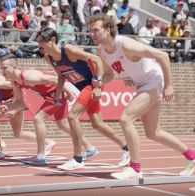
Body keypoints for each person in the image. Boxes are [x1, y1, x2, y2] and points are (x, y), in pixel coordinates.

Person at [88, 13, 195, 179]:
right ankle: (192, 156)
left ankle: (135, 168)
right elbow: (110, 74)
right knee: (153, 133)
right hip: (142, 84)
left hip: (153, 81)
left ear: (108, 30)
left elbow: (163, 55)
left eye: (96, 30)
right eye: (90, 31)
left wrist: (168, 85)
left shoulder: (125, 44)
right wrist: (101, 80)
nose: (92, 34)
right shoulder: (101, 50)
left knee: (126, 119)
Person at [36, 27, 130, 171]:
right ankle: (126, 147)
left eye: (41, 42)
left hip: (92, 84)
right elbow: (61, 75)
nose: (39, 45)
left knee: (72, 116)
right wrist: (58, 93)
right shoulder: (48, 58)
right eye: (38, 42)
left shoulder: (68, 50)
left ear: (53, 40)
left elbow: (97, 60)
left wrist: (98, 86)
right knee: (97, 124)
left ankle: (77, 158)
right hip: (83, 87)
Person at [0, 54, 97, 165]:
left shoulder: (28, 76)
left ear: (14, 67)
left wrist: (69, 93)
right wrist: (8, 107)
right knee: (62, 124)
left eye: (4, 68)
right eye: (1, 68)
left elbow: (56, 79)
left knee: (38, 118)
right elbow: (19, 102)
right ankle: (90, 147)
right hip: (53, 96)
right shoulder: (15, 81)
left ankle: (40, 155)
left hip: (56, 94)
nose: (2, 71)